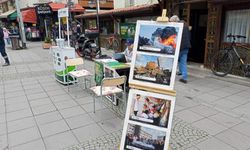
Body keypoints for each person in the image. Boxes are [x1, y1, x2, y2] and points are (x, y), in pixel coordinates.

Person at [170, 15, 191, 83]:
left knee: (174, 61)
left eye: (172, 22)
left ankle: (170, 76)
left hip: (180, 47)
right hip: (186, 46)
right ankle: (184, 77)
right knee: (183, 62)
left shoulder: (178, 26)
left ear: (175, 21)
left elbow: (176, 38)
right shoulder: (185, 25)